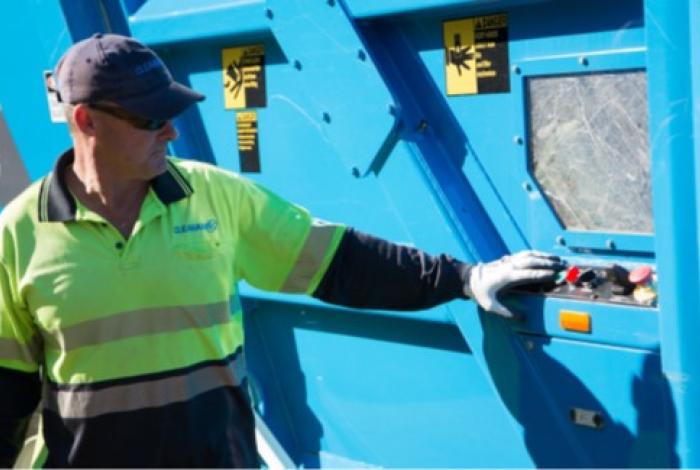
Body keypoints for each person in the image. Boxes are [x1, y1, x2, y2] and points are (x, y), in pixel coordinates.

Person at [0, 34, 564, 467]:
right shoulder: (17, 235)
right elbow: (6, 392)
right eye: (152, 120)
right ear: (85, 120)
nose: (171, 133)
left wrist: (464, 278)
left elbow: (340, 261)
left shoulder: (213, 198)